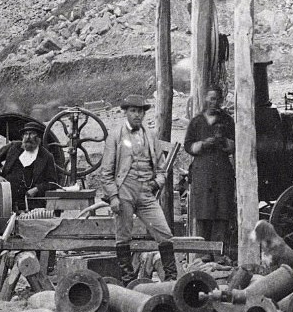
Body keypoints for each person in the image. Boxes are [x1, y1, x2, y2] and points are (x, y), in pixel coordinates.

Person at [99, 94, 176, 282]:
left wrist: (157, 182)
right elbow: (106, 171)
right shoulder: (115, 136)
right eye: (133, 111)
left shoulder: (150, 135)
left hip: (146, 192)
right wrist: (113, 196)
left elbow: (162, 167)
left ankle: (171, 279)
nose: (137, 115)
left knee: (164, 233)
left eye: (140, 111)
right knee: (123, 236)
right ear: (125, 112)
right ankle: (128, 281)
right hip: (124, 191)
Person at [184, 85, 236, 261]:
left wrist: (223, 142)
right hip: (203, 172)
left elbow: (235, 144)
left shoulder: (227, 121)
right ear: (206, 99)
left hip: (221, 171)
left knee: (222, 211)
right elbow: (188, 145)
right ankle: (204, 252)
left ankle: (219, 253)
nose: (214, 102)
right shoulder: (196, 122)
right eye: (211, 99)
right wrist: (203, 144)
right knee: (204, 211)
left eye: (217, 99)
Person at [0, 121, 61, 213]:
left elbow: (52, 182)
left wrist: (37, 189)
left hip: (30, 206)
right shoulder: (14, 147)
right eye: (25, 134)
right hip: (5, 201)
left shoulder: (46, 156)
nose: (27, 137)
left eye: (32, 134)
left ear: (39, 137)